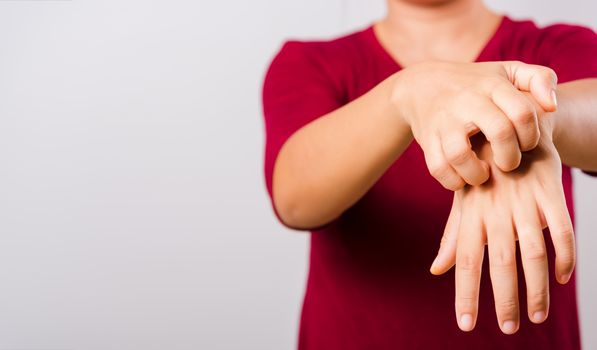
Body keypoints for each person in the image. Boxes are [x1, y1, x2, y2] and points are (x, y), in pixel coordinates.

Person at [261, 0, 597, 348]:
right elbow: (295, 199)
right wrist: (405, 93)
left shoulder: (559, 46)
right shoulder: (309, 63)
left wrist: (519, 126)